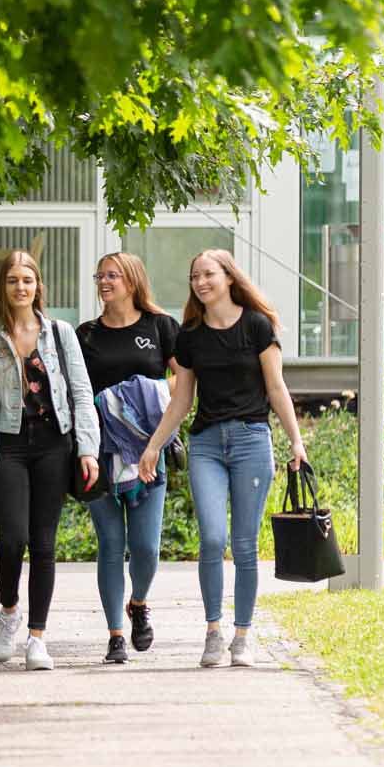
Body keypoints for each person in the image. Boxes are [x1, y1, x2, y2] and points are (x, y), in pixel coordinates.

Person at [139, 249, 306, 668]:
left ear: (229, 278)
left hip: (252, 441)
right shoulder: (190, 337)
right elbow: (181, 400)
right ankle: (213, 632)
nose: (201, 282)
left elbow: (277, 388)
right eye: (195, 275)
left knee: (246, 545)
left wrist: (296, 442)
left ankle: (243, 637)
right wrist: (155, 445)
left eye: (209, 274)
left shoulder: (257, 326)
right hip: (208, 445)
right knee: (213, 539)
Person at [0, 251, 99, 671]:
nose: (20, 287)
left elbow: (81, 393)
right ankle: (9, 611)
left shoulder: (60, 334)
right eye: (12, 280)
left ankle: (38, 638)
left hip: (53, 445)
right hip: (9, 447)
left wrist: (87, 449)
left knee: (44, 543)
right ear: (3, 288)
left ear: (38, 286)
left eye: (27, 280)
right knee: (11, 540)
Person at [76, 252, 180, 664]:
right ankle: (115, 634)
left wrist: (145, 395)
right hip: (100, 453)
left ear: (132, 280)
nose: (104, 281)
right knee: (110, 543)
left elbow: (184, 380)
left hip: (148, 450)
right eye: (99, 275)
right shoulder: (86, 335)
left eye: (112, 275)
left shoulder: (161, 327)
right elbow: (78, 393)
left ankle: (138, 603)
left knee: (145, 547)